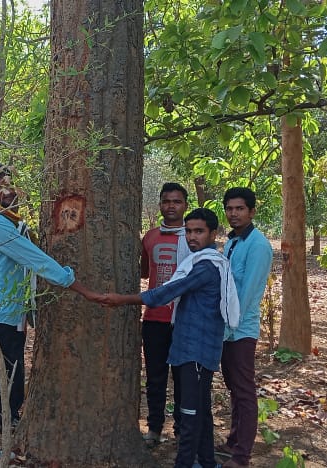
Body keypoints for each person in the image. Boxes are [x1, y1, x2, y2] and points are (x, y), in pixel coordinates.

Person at [0, 164, 100, 461]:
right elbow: (36, 260)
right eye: (2, 185)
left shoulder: (0, 221)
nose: (10, 191)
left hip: (3, 313)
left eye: (12, 184)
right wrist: (82, 288)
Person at [100, 208, 238, 468]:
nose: (192, 237)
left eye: (199, 231)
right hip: (188, 346)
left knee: (190, 414)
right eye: (188, 231)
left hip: (197, 349)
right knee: (201, 411)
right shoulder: (198, 262)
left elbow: (168, 292)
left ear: (213, 234)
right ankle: (208, 462)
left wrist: (122, 300)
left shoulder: (206, 267)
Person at [219, 187, 273, 468]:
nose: (234, 214)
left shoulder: (259, 246)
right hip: (226, 328)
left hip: (241, 330)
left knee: (244, 390)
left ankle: (242, 456)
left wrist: (228, 328)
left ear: (252, 212)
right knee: (233, 387)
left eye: (239, 209)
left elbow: (247, 293)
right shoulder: (231, 244)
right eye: (229, 209)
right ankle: (233, 440)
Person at [138, 182, 190, 446]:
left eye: (177, 201)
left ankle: (182, 430)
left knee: (182, 378)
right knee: (156, 377)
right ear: (160, 204)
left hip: (183, 319)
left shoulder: (192, 238)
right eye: (166, 201)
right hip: (154, 318)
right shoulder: (150, 237)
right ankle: (154, 429)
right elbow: (145, 272)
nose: (171, 206)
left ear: (185, 206)